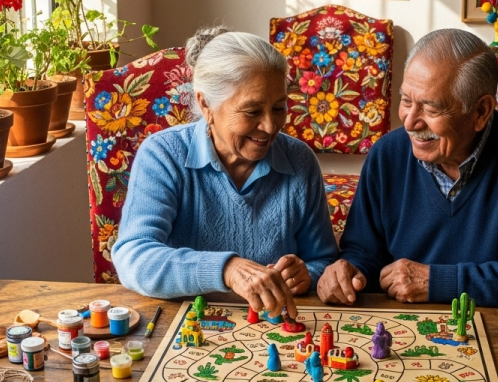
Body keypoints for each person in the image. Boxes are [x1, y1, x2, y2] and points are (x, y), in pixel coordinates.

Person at [317, 29, 498, 308]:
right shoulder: (387, 154)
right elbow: (364, 253)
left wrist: (439, 281)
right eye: (406, 101)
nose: (409, 122)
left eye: (431, 109)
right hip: (405, 323)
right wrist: (348, 272)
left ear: (481, 112)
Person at [113, 27, 338, 317]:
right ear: (206, 104)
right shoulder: (164, 155)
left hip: (271, 325)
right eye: (252, 111)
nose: (270, 126)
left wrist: (307, 274)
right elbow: (134, 257)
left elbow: (325, 261)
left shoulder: (299, 161)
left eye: (279, 108)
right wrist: (227, 269)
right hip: (188, 323)